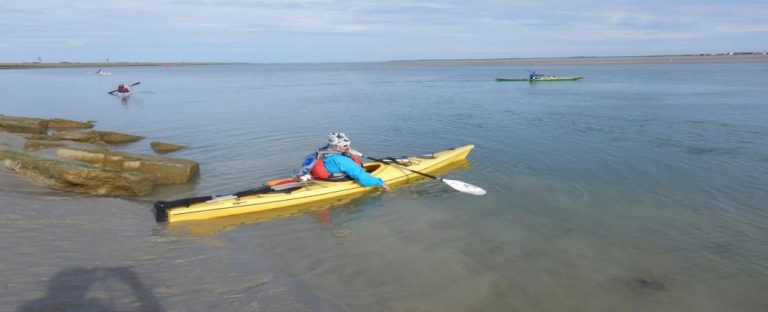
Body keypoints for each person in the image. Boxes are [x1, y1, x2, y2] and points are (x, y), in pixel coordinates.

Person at [299, 132, 390, 192]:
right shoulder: (342, 160)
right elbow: (362, 177)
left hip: (319, 178)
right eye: (345, 145)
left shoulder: (321, 153)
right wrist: (380, 183)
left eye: (348, 145)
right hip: (335, 182)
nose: (348, 147)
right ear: (336, 146)